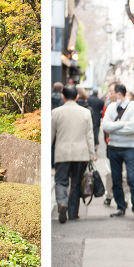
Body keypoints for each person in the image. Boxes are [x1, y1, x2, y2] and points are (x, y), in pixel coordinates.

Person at [52, 85, 95, 223]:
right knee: (76, 183)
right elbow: (90, 136)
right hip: (80, 153)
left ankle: (62, 203)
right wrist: (91, 155)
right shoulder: (85, 112)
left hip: (62, 153)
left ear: (63, 96)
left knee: (61, 181)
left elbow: (50, 136)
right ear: (77, 97)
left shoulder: (56, 112)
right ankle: (72, 212)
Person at [102, 83, 134, 219]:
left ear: (119, 94)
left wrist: (114, 128)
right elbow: (105, 127)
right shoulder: (111, 107)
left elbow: (132, 128)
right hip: (113, 147)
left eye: (111, 92)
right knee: (116, 179)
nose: (109, 95)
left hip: (129, 147)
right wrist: (121, 125)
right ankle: (121, 207)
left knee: (132, 177)